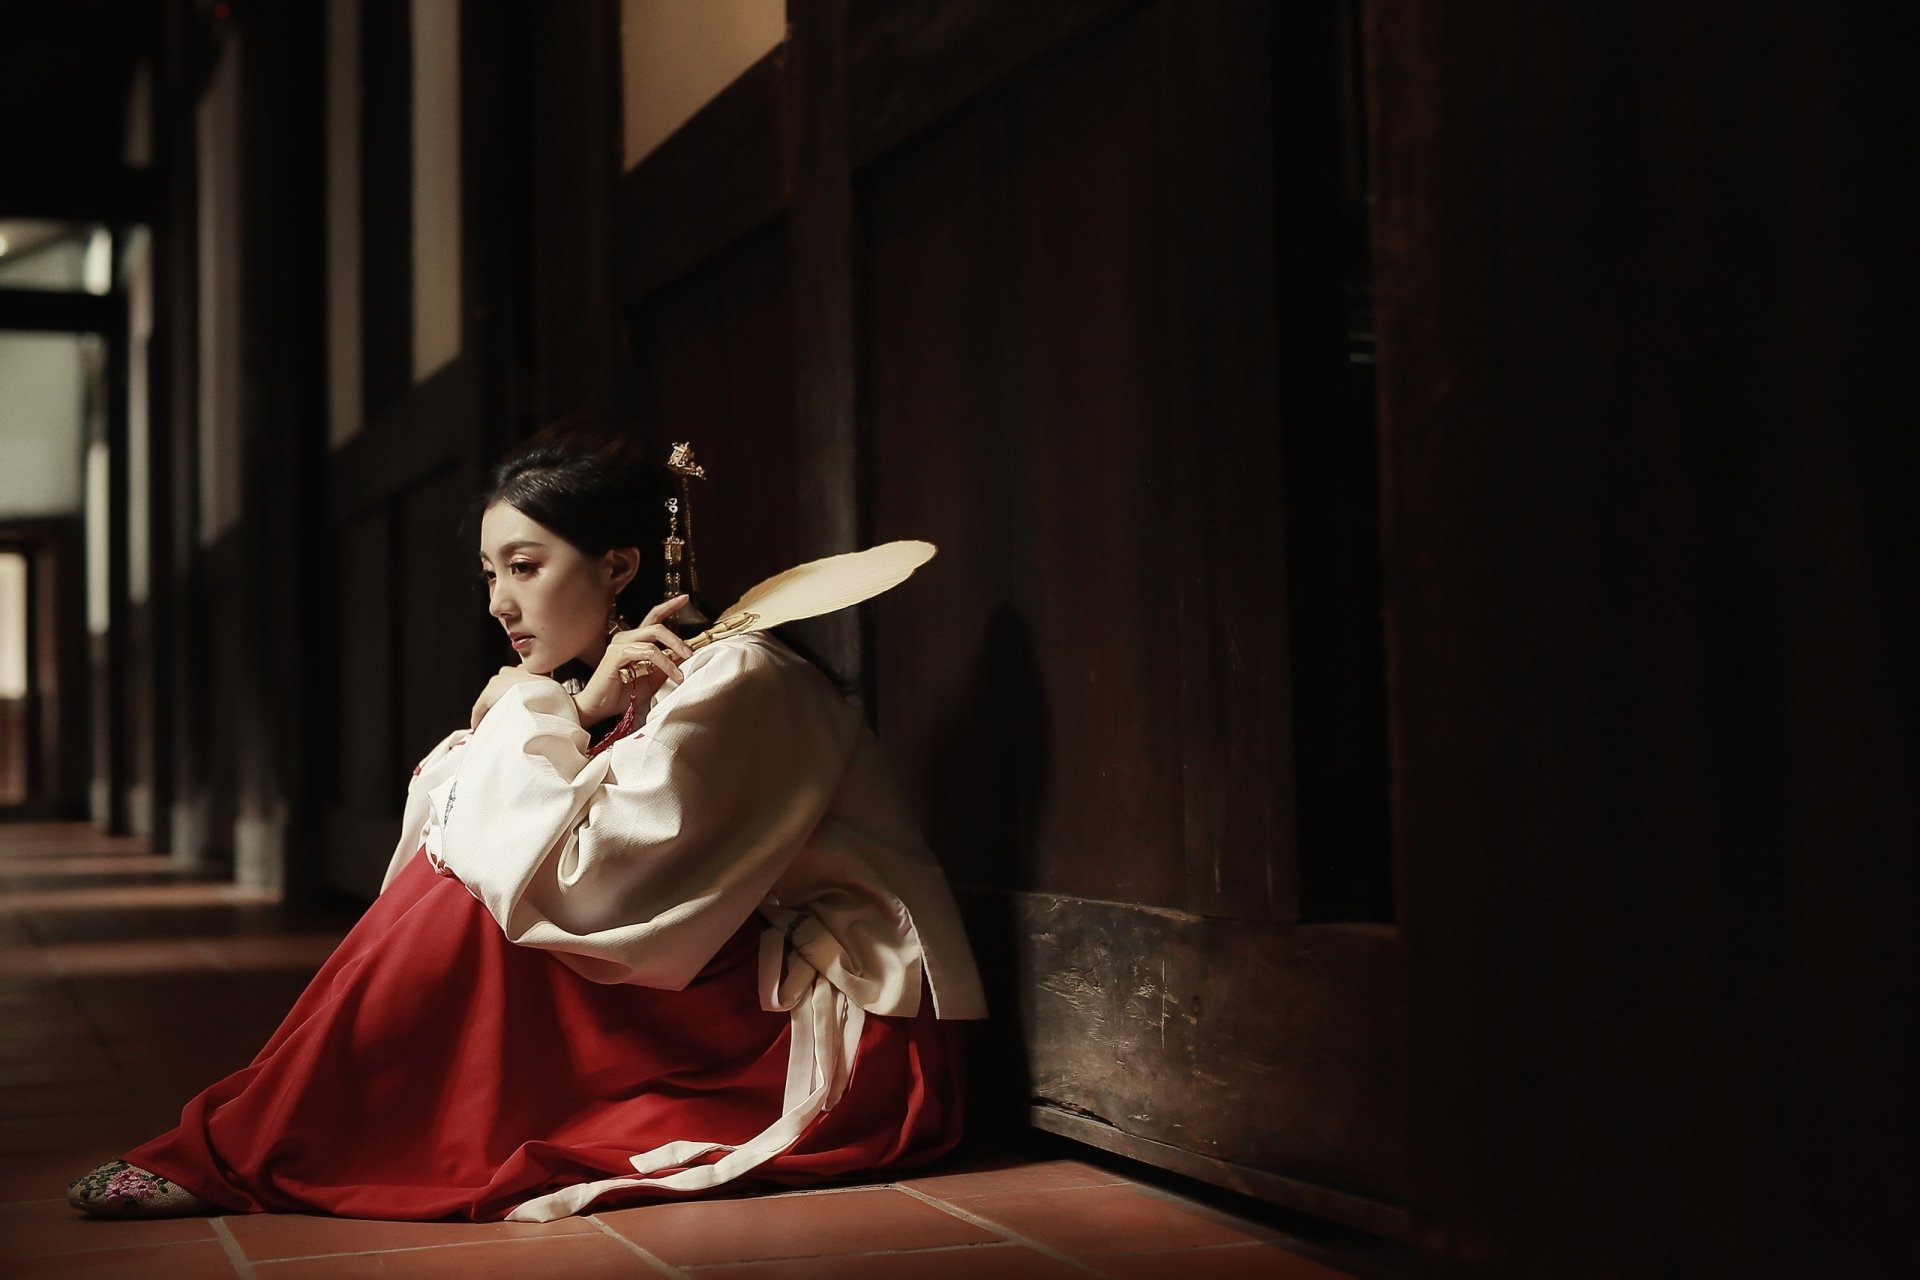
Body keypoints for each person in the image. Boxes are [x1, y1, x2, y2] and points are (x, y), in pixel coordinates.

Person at [66, 433, 986, 1221]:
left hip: (844, 1032)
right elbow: (487, 836)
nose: (500, 602)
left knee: (476, 899)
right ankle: (275, 1129)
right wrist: (574, 708)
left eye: (524, 566)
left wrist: (537, 708)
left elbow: (582, 880)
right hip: (724, 976)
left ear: (619, 565)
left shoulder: (741, 679)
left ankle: (266, 1140)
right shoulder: (634, 681)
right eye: (490, 574)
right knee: (463, 882)